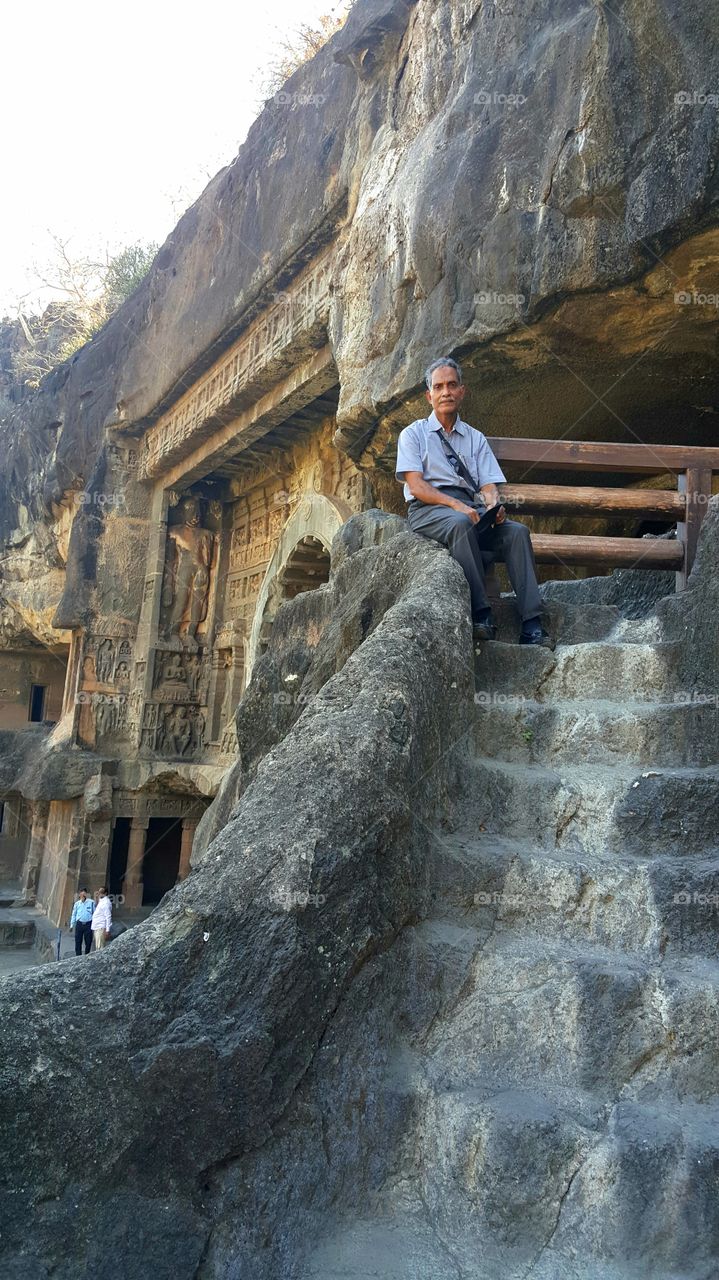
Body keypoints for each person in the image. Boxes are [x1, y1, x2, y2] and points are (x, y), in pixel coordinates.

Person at [396, 357, 553, 647]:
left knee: (517, 533)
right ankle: (481, 614)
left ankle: (532, 623)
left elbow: (488, 485)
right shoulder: (412, 434)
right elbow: (416, 486)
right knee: (459, 524)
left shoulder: (475, 438)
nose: (446, 392)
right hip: (429, 510)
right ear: (429, 395)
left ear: (462, 391)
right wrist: (457, 506)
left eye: (452, 385)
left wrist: (494, 508)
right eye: (439, 386)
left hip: (471, 510)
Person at [69, 889, 94, 956]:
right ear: (79, 895)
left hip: (88, 924)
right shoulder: (77, 904)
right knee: (78, 941)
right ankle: (78, 956)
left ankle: (87, 955)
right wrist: (71, 925)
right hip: (79, 924)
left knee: (88, 941)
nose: (83, 896)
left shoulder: (91, 903)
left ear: (86, 894)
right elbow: (74, 914)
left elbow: (94, 914)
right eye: (81, 895)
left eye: (84, 894)